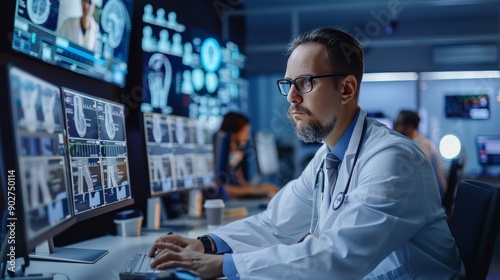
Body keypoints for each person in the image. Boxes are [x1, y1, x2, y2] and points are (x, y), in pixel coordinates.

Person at [147, 27, 465, 279]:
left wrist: (221, 266)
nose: (293, 98)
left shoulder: (394, 159)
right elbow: (275, 224)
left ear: (347, 89)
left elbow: (338, 255)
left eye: (306, 83)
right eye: (288, 85)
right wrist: (206, 244)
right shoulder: (328, 157)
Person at [213, 112, 280, 199]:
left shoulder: (235, 157)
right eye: (245, 132)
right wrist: (255, 190)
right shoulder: (218, 157)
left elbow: (240, 184)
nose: (247, 137)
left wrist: (260, 188)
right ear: (233, 134)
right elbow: (221, 188)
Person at [394, 110, 448, 199]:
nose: (395, 128)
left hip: (433, 200)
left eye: (399, 124)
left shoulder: (417, 147)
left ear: (410, 127)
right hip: (436, 196)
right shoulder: (423, 142)